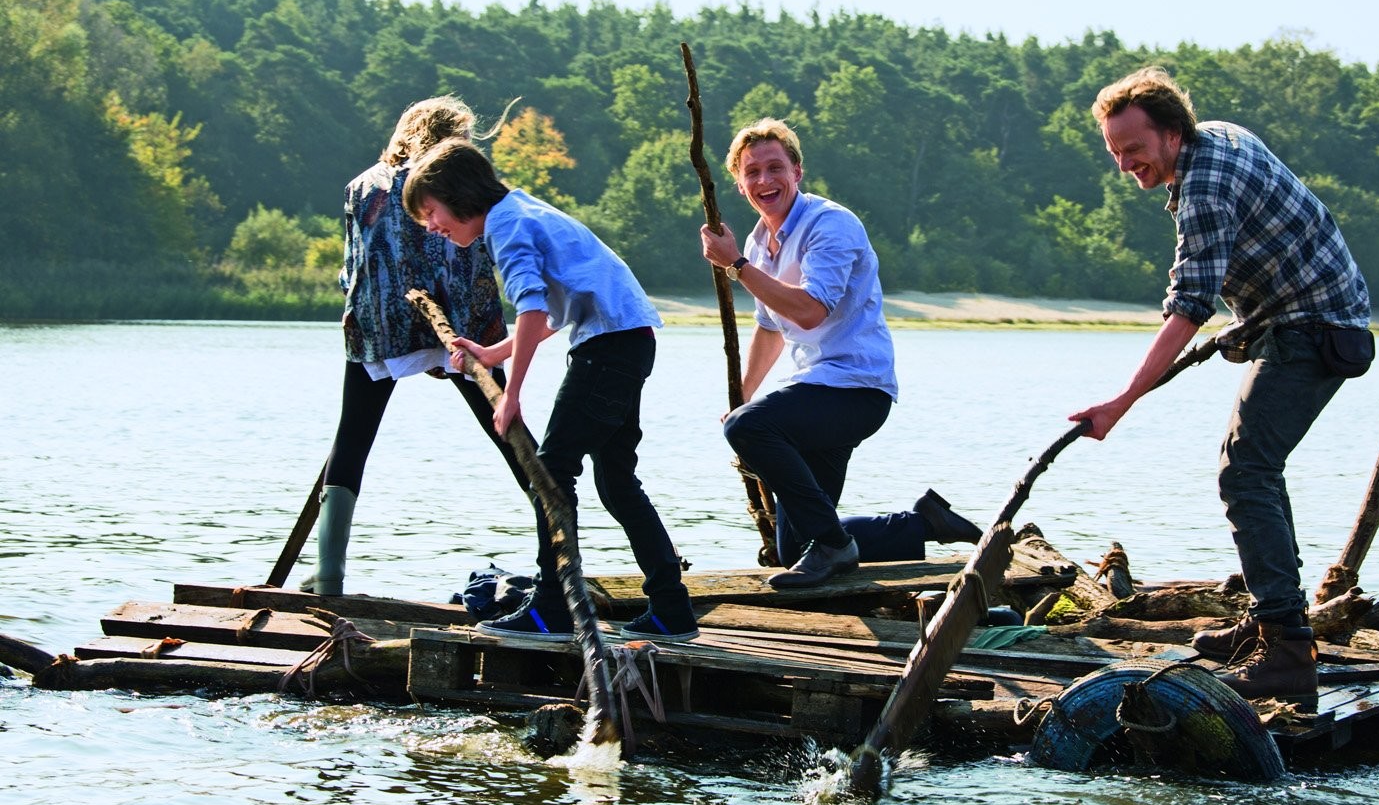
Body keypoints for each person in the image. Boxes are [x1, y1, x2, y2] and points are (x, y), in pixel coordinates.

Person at [1068, 66, 1373, 701]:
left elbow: (1187, 305)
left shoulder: (1202, 188)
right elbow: (1271, 241)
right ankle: (1270, 622)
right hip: (1299, 317)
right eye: (1115, 152)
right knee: (1255, 469)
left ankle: (1289, 650)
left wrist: (1120, 404)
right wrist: (1245, 324)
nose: (1126, 164)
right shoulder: (1220, 136)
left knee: (1247, 472)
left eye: (1135, 149)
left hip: (1315, 328)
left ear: (1172, 134)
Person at [402, 137, 698, 641]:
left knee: (551, 473)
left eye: (431, 212)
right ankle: (671, 608)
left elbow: (533, 308)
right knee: (617, 483)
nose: (432, 226)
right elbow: (549, 313)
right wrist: (492, 355)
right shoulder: (520, 210)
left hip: (609, 346)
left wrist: (511, 393)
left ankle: (553, 608)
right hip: (625, 340)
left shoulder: (508, 226)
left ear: (459, 194)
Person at [699, 118, 984, 590]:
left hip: (855, 391)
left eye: (775, 168)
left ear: (798, 171)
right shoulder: (755, 243)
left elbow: (810, 311)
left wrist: (737, 266)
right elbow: (770, 329)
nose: (765, 181)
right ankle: (923, 524)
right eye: (752, 172)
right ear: (739, 182)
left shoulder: (830, 224)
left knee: (750, 430)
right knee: (794, 548)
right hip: (812, 391)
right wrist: (742, 396)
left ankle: (834, 543)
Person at [303, 96, 530, 598]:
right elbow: (472, 259)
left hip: (377, 323)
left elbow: (350, 269)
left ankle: (328, 576)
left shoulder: (360, 186)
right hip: (458, 322)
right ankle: (559, 550)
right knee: (508, 431)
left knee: (352, 440)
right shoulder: (453, 183)